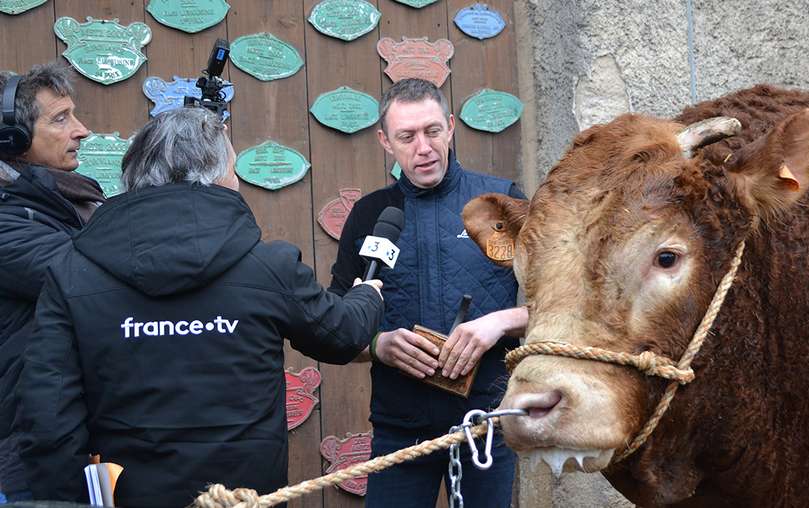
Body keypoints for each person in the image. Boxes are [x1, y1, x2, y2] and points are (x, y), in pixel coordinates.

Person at [16, 107, 385, 507]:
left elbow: (48, 415)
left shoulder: (72, 273)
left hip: (134, 493)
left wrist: (68, 497)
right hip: (243, 496)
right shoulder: (268, 266)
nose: (238, 178)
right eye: (232, 166)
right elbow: (343, 334)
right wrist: (369, 293)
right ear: (214, 176)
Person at [329, 78, 528, 508]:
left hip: (486, 424)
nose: (424, 147)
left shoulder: (502, 203)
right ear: (385, 141)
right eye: (407, 136)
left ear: (451, 126)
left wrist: (498, 323)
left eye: (433, 131)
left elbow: (555, 305)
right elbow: (335, 324)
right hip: (401, 428)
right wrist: (378, 343)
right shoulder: (369, 214)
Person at [0, 63, 103, 504]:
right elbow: (88, 276)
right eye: (60, 119)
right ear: (13, 139)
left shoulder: (67, 201)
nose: (80, 130)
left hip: (68, 442)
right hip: (22, 456)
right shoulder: (6, 221)